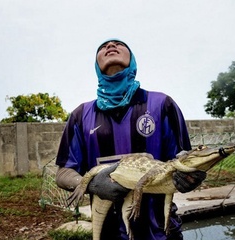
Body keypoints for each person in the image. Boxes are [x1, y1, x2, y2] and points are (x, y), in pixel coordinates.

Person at [55, 38, 207, 240]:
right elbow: (63, 172)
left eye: (119, 44)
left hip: (161, 233)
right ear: (96, 65)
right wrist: (91, 184)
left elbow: (183, 159)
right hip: (109, 234)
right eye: (103, 47)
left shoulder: (162, 104)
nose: (110, 46)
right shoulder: (80, 115)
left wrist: (191, 176)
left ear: (133, 60)